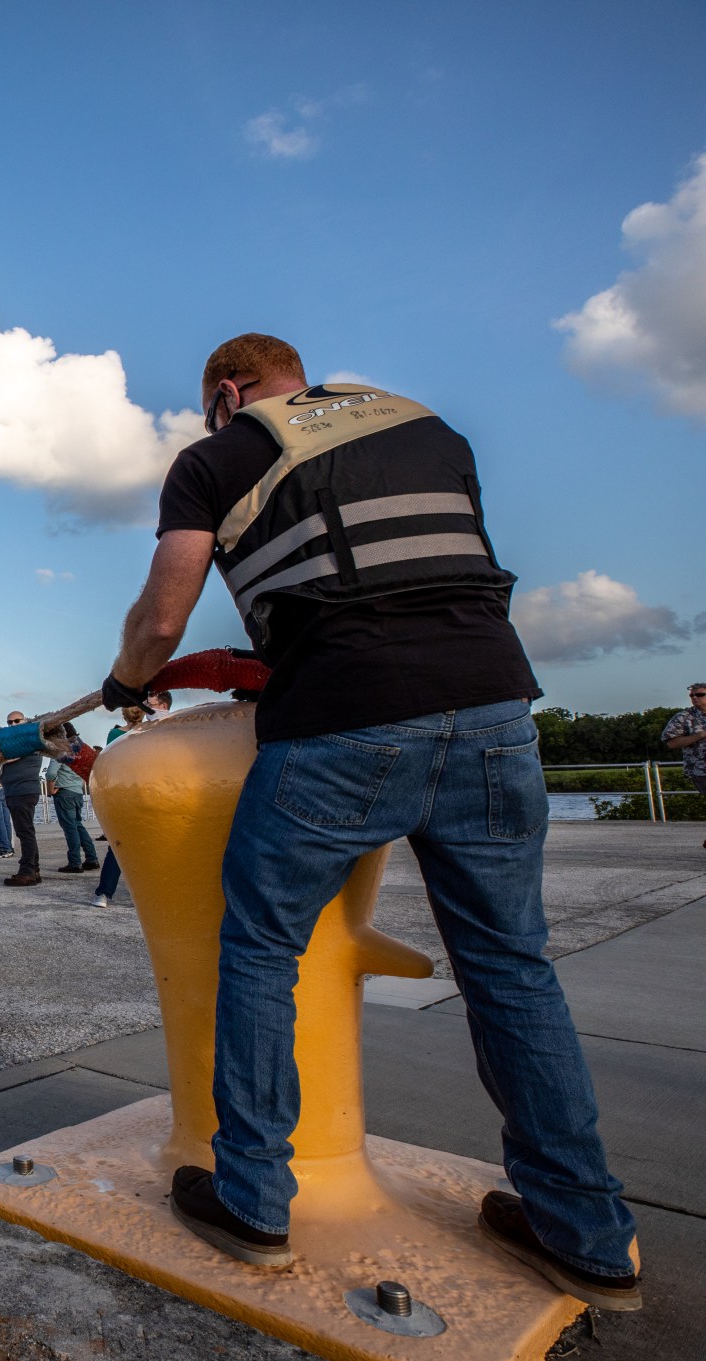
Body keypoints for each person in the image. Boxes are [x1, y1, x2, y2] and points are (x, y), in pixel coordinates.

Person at [102, 333, 638, 1309]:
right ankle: (585, 1235)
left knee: (261, 944)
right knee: (510, 966)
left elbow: (162, 619)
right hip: (493, 712)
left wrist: (126, 678)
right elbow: (410, 574)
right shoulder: (430, 431)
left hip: (342, 723)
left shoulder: (216, 455)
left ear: (226, 394)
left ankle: (253, 1200)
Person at [91, 706, 148, 907]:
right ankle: (145, 894)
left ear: (123, 713)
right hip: (147, 792)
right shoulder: (152, 732)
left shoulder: (115, 735)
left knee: (116, 846)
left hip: (122, 792)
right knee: (147, 846)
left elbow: (110, 765)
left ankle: (103, 893)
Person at [0, 711, 43, 886]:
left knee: (25, 832)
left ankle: (27, 871)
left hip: (22, 792)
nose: (13, 725)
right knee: (26, 831)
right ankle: (34, 869)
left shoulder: (27, 742)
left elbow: (1, 755)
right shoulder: (22, 742)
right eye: (9, 723)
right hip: (17, 791)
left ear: (25, 721)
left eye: (17, 721)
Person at [660, 684, 706, 849]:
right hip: (700, 769)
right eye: (692, 695)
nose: (694, 698)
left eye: (699, 694)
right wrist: (699, 735)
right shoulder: (684, 717)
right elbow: (671, 742)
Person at [48, 724, 98, 874]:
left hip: (64, 793)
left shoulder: (60, 750)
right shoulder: (79, 748)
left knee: (70, 828)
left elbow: (51, 773)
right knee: (78, 825)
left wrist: (51, 790)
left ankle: (75, 862)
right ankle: (91, 858)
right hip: (77, 792)